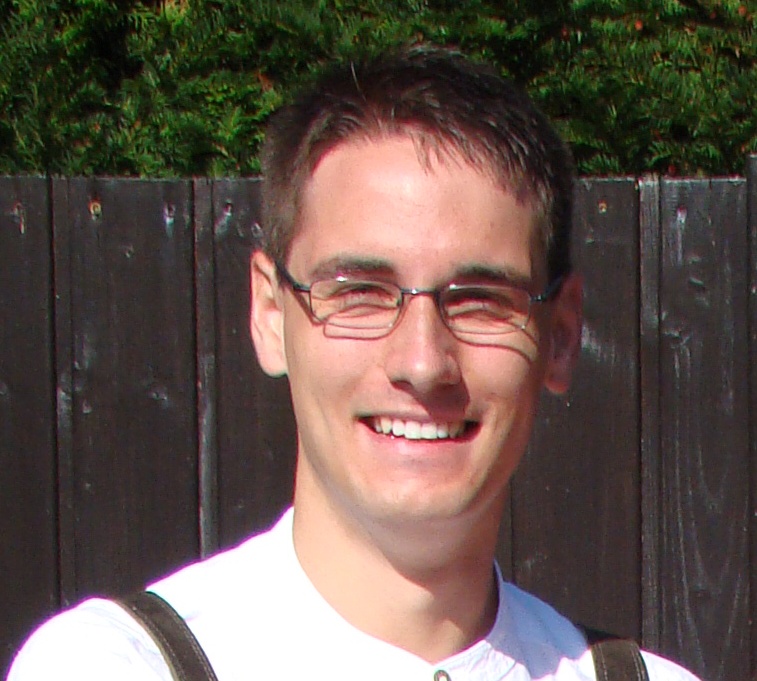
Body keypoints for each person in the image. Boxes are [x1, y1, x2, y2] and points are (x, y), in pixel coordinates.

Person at [8, 45, 699, 681]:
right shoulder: (115, 665)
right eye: (360, 292)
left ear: (561, 334)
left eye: (480, 299)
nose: (422, 362)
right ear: (270, 313)